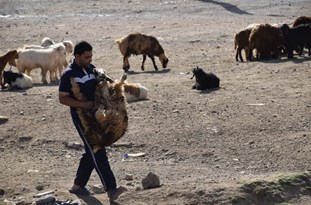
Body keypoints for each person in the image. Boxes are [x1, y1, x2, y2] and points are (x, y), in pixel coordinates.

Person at [58, 40, 125, 202]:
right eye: (86, 57)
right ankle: (111, 189)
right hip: (83, 118)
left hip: (97, 115)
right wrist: (83, 104)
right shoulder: (69, 74)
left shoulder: (90, 68)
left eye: (91, 56)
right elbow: (63, 98)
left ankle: (77, 186)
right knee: (97, 148)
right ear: (77, 56)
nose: (89, 59)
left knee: (92, 149)